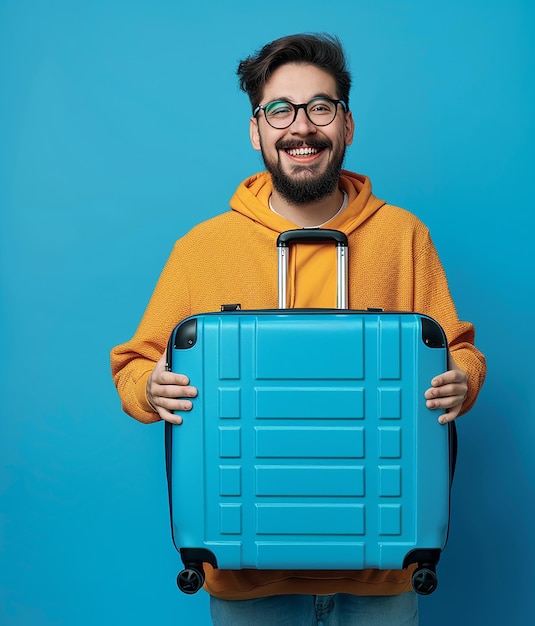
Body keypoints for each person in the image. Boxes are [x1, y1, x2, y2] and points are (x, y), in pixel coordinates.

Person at [111, 33, 486, 626]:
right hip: (246, 577)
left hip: (382, 575)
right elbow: (135, 366)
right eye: (280, 109)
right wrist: (149, 388)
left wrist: (462, 379)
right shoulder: (203, 248)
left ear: (347, 124)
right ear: (256, 130)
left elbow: (458, 350)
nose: (301, 127)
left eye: (320, 107)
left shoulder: (403, 237)